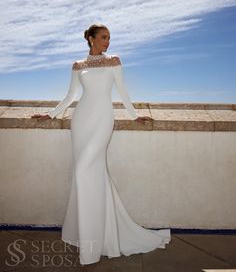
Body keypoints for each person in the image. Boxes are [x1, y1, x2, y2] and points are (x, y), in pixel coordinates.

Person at [32, 23, 171, 265]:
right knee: (87, 174)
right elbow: (71, 95)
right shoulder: (78, 65)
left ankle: (94, 243)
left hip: (103, 120)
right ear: (91, 39)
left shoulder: (114, 60)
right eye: (104, 37)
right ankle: (87, 235)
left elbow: (122, 90)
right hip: (82, 121)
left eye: (109, 37)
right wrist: (51, 114)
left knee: (85, 170)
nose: (108, 41)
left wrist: (135, 115)